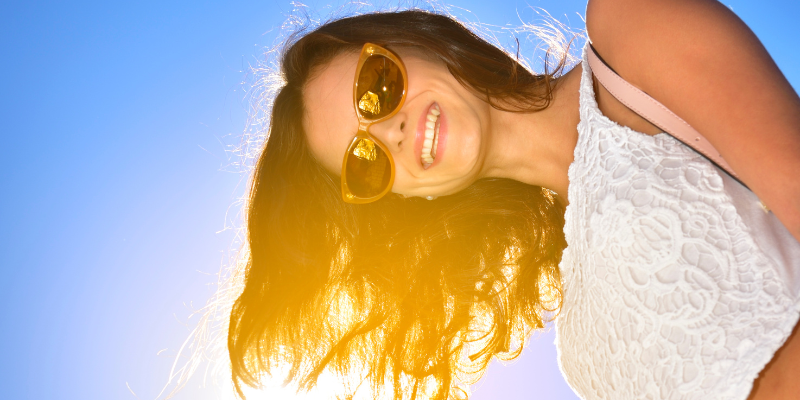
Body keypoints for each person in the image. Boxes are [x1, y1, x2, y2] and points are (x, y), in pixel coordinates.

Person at [227, 0, 800, 399]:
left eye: (377, 88)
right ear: (403, 198)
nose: (390, 133)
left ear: (416, 42)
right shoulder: (579, 345)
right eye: (365, 162)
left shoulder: (628, 28)